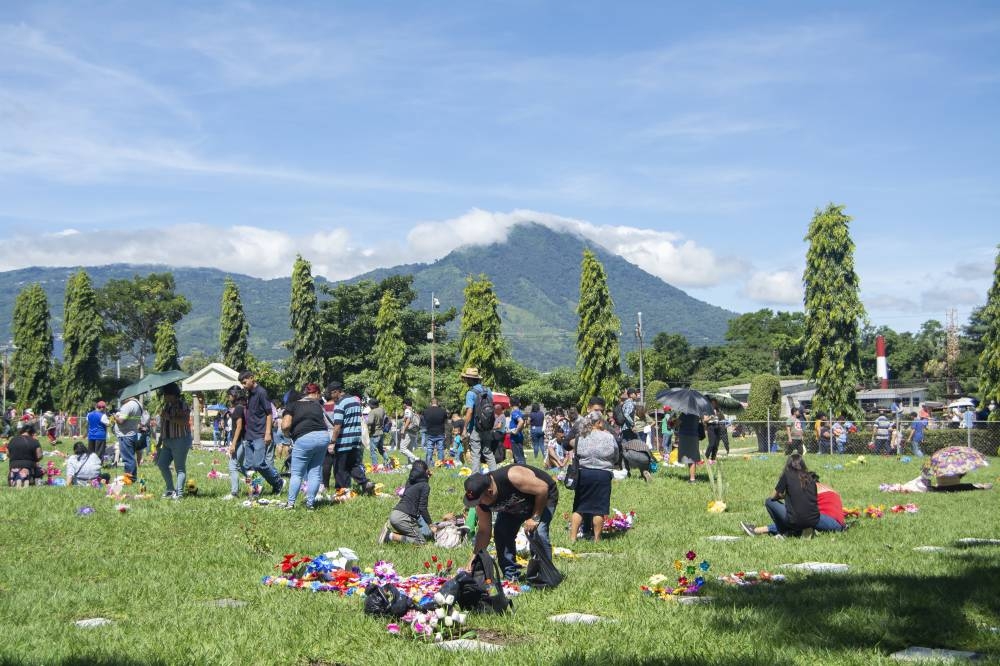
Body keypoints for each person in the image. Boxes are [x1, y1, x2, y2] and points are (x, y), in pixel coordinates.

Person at [464, 463, 558, 580]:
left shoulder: (512, 476)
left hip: (541, 498)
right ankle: (511, 576)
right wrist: (474, 558)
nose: (477, 504)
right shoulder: (481, 504)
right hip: (514, 505)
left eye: (479, 500)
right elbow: (484, 532)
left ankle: (545, 575)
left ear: (490, 492)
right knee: (501, 532)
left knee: (538, 532)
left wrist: (535, 517)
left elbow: (543, 488)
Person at [565, 411, 619, 541]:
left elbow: (573, 448)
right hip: (603, 474)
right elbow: (616, 455)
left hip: (584, 473)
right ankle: (597, 539)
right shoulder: (609, 437)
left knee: (579, 507)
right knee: (599, 509)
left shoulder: (580, 436)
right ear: (599, 422)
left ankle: (572, 538)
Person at [741, 454, 822, 538]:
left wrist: (782, 496)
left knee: (769, 502)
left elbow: (773, 496)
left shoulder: (787, 475)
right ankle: (804, 529)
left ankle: (783, 530)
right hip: (814, 520)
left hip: (795, 520)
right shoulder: (811, 477)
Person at [742, 472, 846, 537]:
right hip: (838, 525)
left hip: (824, 522)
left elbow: (775, 497)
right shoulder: (828, 489)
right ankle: (759, 530)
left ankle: (759, 530)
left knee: (770, 502)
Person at [280, 383, 329, 509]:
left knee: (297, 473)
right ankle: (310, 504)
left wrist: (288, 435)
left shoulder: (293, 405)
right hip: (323, 437)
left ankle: (290, 504)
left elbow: (285, 425)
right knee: (315, 472)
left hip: (304, 438)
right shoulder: (317, 405)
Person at [239, 370, 284, 494]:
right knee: (248, 466)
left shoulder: (261, 392)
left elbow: (269, 413)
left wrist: (268, 433)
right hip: (249, 435)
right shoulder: (248, 394)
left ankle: (277, 481)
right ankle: (255, 489)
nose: (243, 386)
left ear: (252, 378)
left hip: (260, 434)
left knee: (258, 464)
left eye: (244, 382)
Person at [326, 382, 375, 494]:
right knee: (353, 465)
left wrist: (332, 442)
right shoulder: (354, 401)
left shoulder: (340, 404)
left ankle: (343, 491)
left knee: (340, 468)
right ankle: (364, 483)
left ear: (336, 392)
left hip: (343, 440)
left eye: (331, 394)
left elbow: (337, 426)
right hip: (356, 439)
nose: (330, 397)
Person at [380, 460, 435, 544]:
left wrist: (426, 475)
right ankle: (389, 536)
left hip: (395, 514)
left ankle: (391, 535)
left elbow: (419, 482)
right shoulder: (425, 486)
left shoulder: (410, 481)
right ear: (425, 472)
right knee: (421, 542)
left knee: (418, 535)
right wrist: (430, 525)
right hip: (403, 518)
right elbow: (422, 508)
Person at [154, 383, 192, 499]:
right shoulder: (166, 406)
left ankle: (179, 494)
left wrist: (169, 417)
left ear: (173, 395)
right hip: (167, 441)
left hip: (180, 440)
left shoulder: (182, 405)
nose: (164, 397)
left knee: (179, 468)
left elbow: (185, 422)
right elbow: (164, 425)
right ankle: (170, 489)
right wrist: (160, 442)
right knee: (162, 464)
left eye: (166, 394)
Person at [461, 367, 497, 471]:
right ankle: (495, 475)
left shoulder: (471, 393)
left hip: (476, 427)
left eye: (467, 379)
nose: (466, 381)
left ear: (470, 379)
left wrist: (465, 428)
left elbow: (470, 412)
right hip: (487, 426)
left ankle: (475, 476)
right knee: (488, 451)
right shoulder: (488, 390)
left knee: (475, 453)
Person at [223, 386, 247, 500]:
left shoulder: (238, 408)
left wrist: (233, 444)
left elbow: (239, 426)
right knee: (242, 466)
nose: (228, 397)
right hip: (243, 440)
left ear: (234, 395)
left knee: (233, 466)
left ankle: (234, 493)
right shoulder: (243, 407)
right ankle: (257, 483)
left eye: (229, 395)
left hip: (239, 441)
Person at [114, 395, 145, 480]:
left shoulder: (128, 405)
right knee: (131, 457)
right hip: (132, 433)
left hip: (125, 435)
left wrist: (115, 416)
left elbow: (121, 421)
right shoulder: (138, 404)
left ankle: (129, 479)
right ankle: (132, 477)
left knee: (128, 459)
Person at [622, 404, 653, 482]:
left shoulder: (644, 416)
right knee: (641, 451)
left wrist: (647, 427)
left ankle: (627, 471)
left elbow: (653, 422)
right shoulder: (633, 415)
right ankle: (644, 471)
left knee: (626, 452)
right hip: (634, 434)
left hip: (641, 434)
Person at [7, 422, 42, 487]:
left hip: (14, 466)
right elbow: (39, 456)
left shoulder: (12, 440)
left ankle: (14, 480)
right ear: (32, 433)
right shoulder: (34, 441)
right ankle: (27, 480)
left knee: (15, 474)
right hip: (29, 466)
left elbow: (8, 453)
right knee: (40, 468)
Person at [676, 411, 702, 483]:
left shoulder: (684, 413)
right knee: (692, 456)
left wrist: (674, 420)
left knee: (690, 457)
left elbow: (677, 423)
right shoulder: (697, 413)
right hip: (694, 436)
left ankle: (692, 478)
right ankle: (692, 477)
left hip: (685, 436)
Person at [422, 398, 448, 464]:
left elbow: (425, 421)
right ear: (438, 403)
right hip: (440, 432)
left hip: (430, 432)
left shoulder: (425, 411)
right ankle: (440, 463)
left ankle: (428, 463)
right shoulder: (443, 411)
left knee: (429, 449)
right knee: (440, 449)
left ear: (430, 403)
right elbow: (445, 421)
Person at [366, 398, 390, 466]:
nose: (369, 406)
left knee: (373, 451)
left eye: (369, 405)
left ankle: (375, 466)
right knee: (381, 449)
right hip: (381, 432)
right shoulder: (382, 410)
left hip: (374, 433)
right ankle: (388, 460)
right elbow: (386, 419)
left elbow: (370, 421)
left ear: (372, 405)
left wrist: (365, 422)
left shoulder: (372, 412)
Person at [398, 398, 420, 464]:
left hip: (408, 431)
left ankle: (415, 458)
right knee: (409, 450)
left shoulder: (407, 410)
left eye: (403, 404)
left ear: (405, 404)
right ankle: (410, 464)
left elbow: (408, 419)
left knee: (402, 449)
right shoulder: (413, 410)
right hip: (414, 432)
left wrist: (403, 429)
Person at [508, 397, 526, 465]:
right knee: (520, 457)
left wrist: (516, 431)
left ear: (510, 404)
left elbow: (521, 422)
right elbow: (523, 424)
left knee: (518, 459)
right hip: (519, 437)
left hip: (515, 439)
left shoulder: (514, 412)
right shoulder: (520, 412)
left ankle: (523, 472)